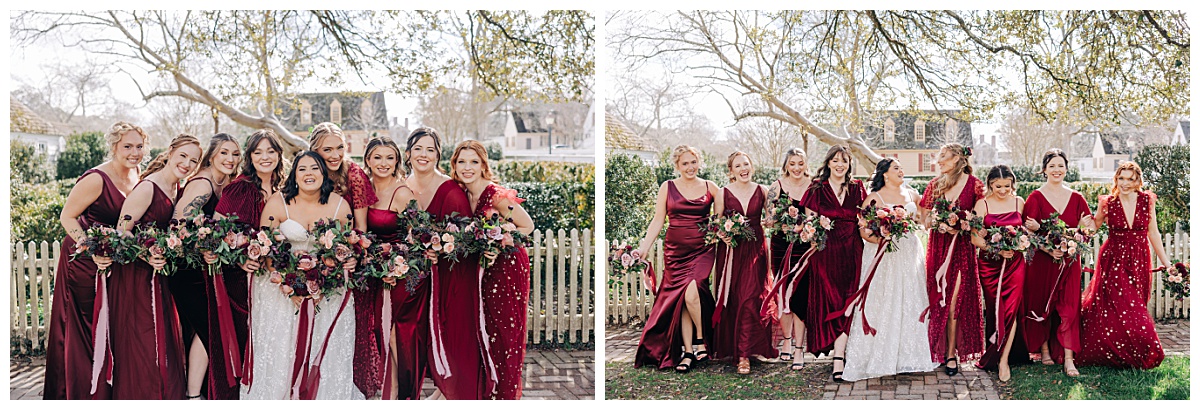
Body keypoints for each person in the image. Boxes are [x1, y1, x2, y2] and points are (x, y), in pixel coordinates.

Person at [244, 151, 361, 399]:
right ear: (294, 175)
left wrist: (331, 274)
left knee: (323, 342)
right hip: (280, 282)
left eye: (315, 169)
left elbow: (344, 247)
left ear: (323, 174)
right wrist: (291, 286)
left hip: (328, 284)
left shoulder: (340, 205)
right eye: (302, 169)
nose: (309, 174)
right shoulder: (278, 202)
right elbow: (266, 249)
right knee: (283, 346)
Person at [44, 121, 147, 400]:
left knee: (110, 327)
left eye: (139, 146)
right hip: (84, 262)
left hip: (114, 264)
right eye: (127, 146)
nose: (134, 152)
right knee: (86, 329)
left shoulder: (139, 175)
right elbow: (67, 217)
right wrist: (91, 249)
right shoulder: (96, 179)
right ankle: (80, 394)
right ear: (114, 147)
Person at [105, 134, 202, 399]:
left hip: (159, 275)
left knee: (163, 343)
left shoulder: (177, 189)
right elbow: (120, 232)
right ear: (170, 152)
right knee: (144, 343)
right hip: (135, 276)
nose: (187, 163)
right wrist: (146, 254)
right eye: (183, 155)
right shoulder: (149, 187)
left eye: (193, 160)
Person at [405, 128, 491, 399]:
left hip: (454, 272)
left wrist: (438, 250)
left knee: (454, 329)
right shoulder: (403, 185)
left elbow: (465, 240)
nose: (424, 155)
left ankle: (458, 392)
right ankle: (441, 389)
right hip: (418, 274)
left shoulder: (450, 190)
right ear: (408, 153)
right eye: (418, 148)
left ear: (438, 156)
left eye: (431, 150)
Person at [451, 140, 535, 398]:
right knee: (485, 327)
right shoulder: (462, 193)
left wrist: (500, 243)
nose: (468, 167)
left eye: (474, 162)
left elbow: (527, 226)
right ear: (454, 165)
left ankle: (505, 394)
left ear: (483, 165)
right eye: (462, 161)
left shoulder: (495, 195)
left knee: (505, 330)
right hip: (483, 268)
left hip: (508, 267)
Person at [841, 158, 938, 381]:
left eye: (901, 167)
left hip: (909, 253)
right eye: (896, 168)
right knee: (883, 300)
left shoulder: (913, 195)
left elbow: (925, 221)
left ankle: (909, 355)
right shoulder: (874, 198)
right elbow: (864, 231)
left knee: (909, 299)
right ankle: (878, 355)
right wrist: (884, 237)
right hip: (884, 254)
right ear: (884, 174)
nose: (901, 170)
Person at [632, 145, 720, 373]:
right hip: (675, 252)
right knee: (683, 300)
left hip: (702, 249)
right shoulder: (667, 187)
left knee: (692, 290)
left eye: (693, 162)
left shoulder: (711, 187)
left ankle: (701, 340)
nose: (690, 167)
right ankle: (689, 352)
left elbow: (721, 220)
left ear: (699, 162)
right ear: (677, 166)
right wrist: (644, 248)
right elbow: (657, 220)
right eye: (685, 163)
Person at [168, 133, 241, 399]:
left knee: (208, 329)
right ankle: (195, 395)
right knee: (208, 330)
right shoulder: (203, 185)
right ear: (212, 155)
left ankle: (201, 393)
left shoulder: (227, 183)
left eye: (235, 154)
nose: (230, 159)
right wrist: (205, 247)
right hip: (187, 272)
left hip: (206, 270)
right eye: (224, 153)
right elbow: (177, 227)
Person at [212, 129, 285, 394]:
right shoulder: (241, 187)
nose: (265, 157)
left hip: (277, 278)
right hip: (244, 277)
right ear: (250, 157)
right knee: (247, 336)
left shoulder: (287, 186)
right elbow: (218, 228)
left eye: (270, 151)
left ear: (279, 154)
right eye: (258, 152)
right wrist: (240, 258)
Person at [1076, 162, 1167, 369]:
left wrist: (1166, 263)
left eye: (1130, 179)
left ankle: (1124, 355)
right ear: (1116, 179)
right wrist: (1083, 224)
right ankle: (1142, 353)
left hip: (1139, 260)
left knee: (1133, 306)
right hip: (1113, 260)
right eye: (1121, 178)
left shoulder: (1146, 201)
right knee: (1126, 308)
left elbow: (1153, 233)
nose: (1125, 183)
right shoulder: (1108, 202)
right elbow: (1094, 227)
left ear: (1138, 181)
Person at [1020, 149, 1093, 377]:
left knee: (1070, 308)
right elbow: (1027, 232)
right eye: (1052, 166)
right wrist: (1047, 248)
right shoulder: (1035, 197)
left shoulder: (1078, 198)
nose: (1056, 170)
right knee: (1043, 305)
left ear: (1067, 168)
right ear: (1044, 169)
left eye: (1061, 165)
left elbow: (1088, 229)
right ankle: (1044, 350)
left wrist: (1076, 236)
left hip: (1069, 262)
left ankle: (1069, 359)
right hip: (1043, 261)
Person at [918, 143, 985, 376]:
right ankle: (933, 350)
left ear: (958, 159)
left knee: (955, 299)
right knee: (939, 297)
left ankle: (950, 353)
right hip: (938, 247)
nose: (939, 161)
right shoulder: (934, 186)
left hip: (962, 250)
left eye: (944, 157)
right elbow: (924, 219)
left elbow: (981, 219)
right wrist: (937, 222)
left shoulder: (975, 185)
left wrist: (963, 225)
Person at [801, 145, 866, 382]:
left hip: (852, 250)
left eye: (845, 161)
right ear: (828, 163)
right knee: (830, 299)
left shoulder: (858, 187)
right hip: (825, 252)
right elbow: (809, 221)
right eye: (836, 160)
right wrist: (811, 234)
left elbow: (866, 218)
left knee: (849, 299)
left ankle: (840, 356)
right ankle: (834, 349)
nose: (840, 165)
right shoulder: (817, 187)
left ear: (849, 164)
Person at [710, 152, 777, 375]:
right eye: (738, 165)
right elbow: (716, 222)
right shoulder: (723, 193)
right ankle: (738, 349)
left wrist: (770, 220)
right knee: (736, 299)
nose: (743, 168)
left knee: (751, 297)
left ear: (752, 167)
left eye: (746, 164)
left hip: (756, 248)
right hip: (732, 251)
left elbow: (771, 217)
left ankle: (745, 354)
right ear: (731, 171)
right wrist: (723, 234)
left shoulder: (763, 190)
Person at [362, 137, 413, 399]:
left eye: (389, 158)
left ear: (397, 161)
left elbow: (417, 237)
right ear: (368, 160)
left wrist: (395, 261)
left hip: (396, 274)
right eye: (377, 157)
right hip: (368, 271)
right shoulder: (362, 187)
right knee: (372, 330)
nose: (383, 163)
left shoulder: (401, 192)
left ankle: (392, 393)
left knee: (392, 333)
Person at [970, 165, 1028, 381]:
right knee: (996, 309)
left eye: (1007, 185)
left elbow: (1026, 233)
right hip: (989, 264)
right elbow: (975, 239)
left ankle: (1003, 361)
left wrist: (1018, 244)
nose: (1003, 190)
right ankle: (994, 352)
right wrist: (996, 249)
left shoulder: (1019, 202)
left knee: (1011, 309)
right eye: (997, 186)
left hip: (1015, 263)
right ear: (990, 184)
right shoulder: (982, 204)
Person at [765, 148, 812, 370]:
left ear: (805, 164)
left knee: (801, 293)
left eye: (800, 163)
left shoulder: (813, 186)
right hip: (781, 246)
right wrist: (777, 221)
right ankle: (786, 340)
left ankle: (800, 348)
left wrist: (804, 226)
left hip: (804, 245)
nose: (796, 168)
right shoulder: (776, 187)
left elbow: (816, 216)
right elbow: (768, 218)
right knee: (783, 293)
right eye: (792, 163)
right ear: (786, 165)